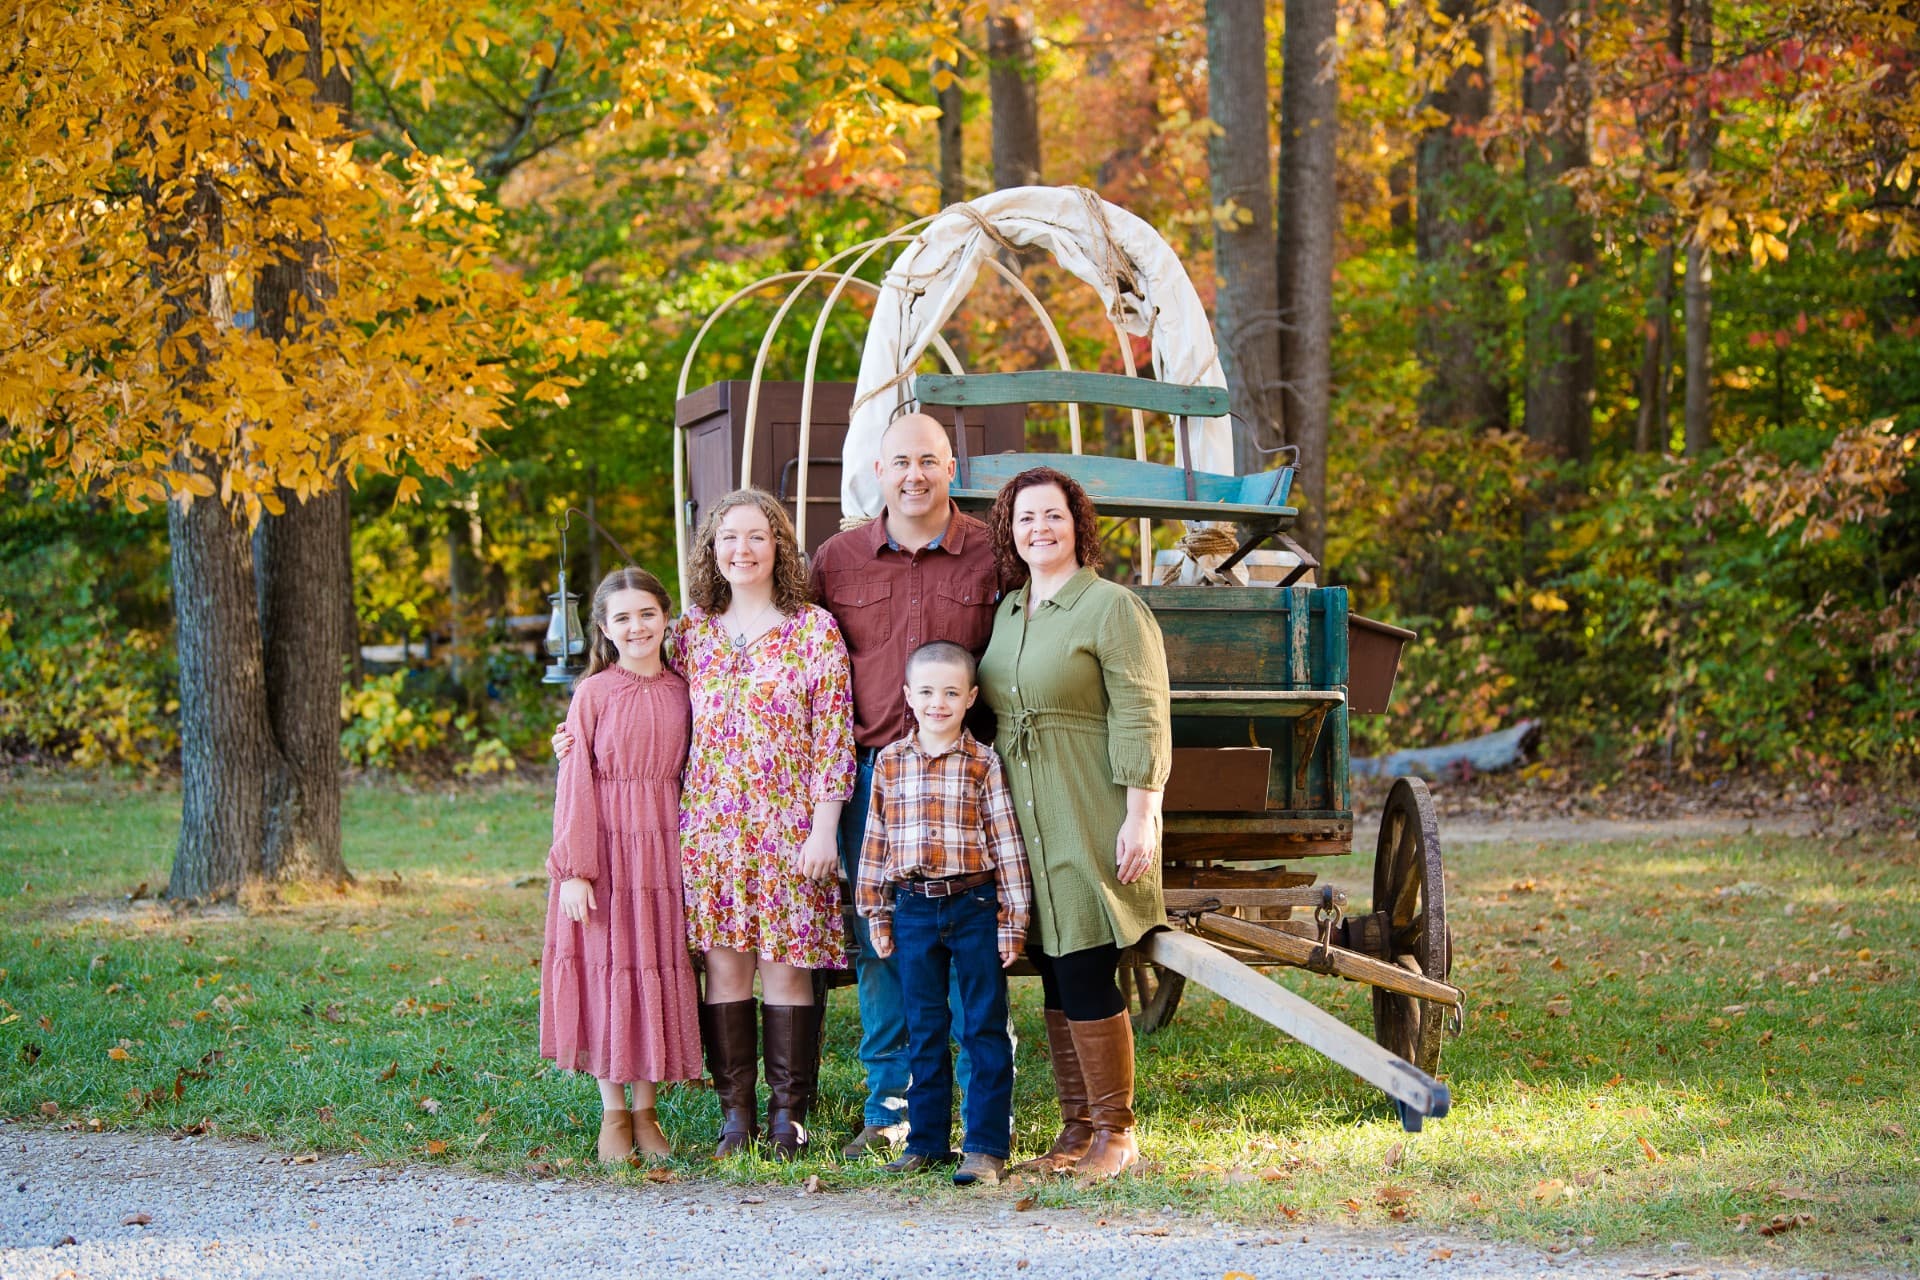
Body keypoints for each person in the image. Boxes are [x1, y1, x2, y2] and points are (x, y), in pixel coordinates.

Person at [807, 412, 1002, 1158]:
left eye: (929, 460)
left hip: (964, 781)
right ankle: (891, 1106)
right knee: (881, 940)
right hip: (871, 781)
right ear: (878, 473)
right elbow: (799, 660)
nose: (914, 475)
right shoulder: (840, 558)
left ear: (951, 468)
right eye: (900, 462)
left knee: (968, 941)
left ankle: (973, 1105)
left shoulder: (992, 552)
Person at [976, 467, 1172, 1181]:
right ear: (1011, 531)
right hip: (1024, 809)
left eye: (1052, 516)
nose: (1039, 530)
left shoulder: (1110, 607)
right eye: (1025, 519)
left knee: (1087, 956)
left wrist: (1140, 814)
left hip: (1088, 800)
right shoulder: (1008, 611)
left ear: (1076, 523)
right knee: (1055, 964)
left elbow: (1143, 712)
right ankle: (1075, 1127)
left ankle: (1116, 1133)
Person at [675, 489, 855, 1159]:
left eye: (756, 536)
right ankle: (735, 1115)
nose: (742, 550)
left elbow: (835, 737)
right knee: (725, 972)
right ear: (712, 551)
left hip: (790, 832)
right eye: (729, 538)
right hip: (711, 833)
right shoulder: (690, 633)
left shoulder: (813, 629)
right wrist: (577, 733)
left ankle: (789, 1117)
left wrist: (824, 828)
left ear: (779, 546)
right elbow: (646, 704)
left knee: (785, 970)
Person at [540, 567, 703, 1163]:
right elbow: (574, 780)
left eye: (647, 614)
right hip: (604, 846)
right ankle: (613, 1110)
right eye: (623, 618)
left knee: (651, 964)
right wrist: (576, 869)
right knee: (606, 969)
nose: (637, 627)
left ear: (666, 618)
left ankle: (646, 1107)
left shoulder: (686, 688)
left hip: (661, 849)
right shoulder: (595, 693)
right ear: (605, 630)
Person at [854, 641, 1031, 1187]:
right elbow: (875, 844)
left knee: (982, 1025)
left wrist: (1013, 918)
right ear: (908, 696)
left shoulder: (983, 763)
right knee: (924, 1027)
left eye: (951, 693)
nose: (938, 702)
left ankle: (984, 1146)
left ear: (970, 697)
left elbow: (1005, 840)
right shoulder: (889, 762)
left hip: (974, 904)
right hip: (911, 908)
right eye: (927, 692)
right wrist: (876, 915)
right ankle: (926, 1142)